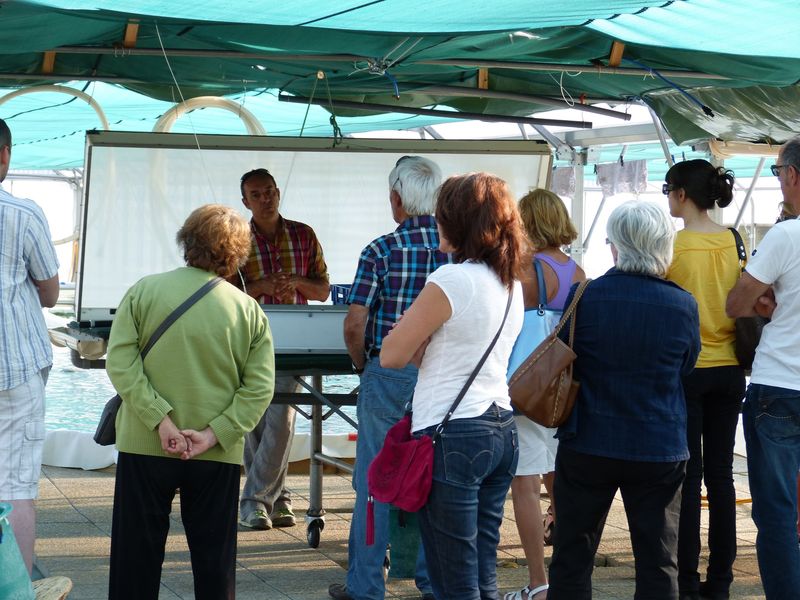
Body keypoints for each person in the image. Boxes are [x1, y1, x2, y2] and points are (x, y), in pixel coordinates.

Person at [105, 204, 275, 600]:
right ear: (235, 255)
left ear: (187, 240)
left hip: (145, 443)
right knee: (215, 564)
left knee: (135, 559)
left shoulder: (144, 291)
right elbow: (259, 388)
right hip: (215, 453)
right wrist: (216, 433)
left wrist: (159, 420)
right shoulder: (248, 310)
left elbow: (121, 362)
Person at [381, 172, 526, 600]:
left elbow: (391, 353)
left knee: (452, 577)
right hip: (500, 427)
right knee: (482, 570)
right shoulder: (510, 282)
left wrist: (414, 336)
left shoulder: (452, 280)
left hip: (454, 433)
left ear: (457, 223)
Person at [548, 201, 701, 600]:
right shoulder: (683, 304)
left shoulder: (585, 296)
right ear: (664, 247)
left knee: (571, 555)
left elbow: (566, 356)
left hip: (588, 439)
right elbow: (686, 365)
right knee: (657, 560)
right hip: (658, 445)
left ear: (614, 247)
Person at [329, 155, 448, 600]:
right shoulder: (456, 252)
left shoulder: (380, 250)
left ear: (396, 198)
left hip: (388, 371)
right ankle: (432, 582)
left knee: (375, 481)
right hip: (441, 375)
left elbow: (354, 323)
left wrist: (363, 364)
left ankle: (365, 585)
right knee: (435, 475)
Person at [662, 160, 746, 600]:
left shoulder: (674, 246)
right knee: (721, 476)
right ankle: (722, 581)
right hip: (731, 368)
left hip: (688, 370)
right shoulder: (734, 241)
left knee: (689, 477)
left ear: (680, 194)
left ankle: (687, 579)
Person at [726, 135, 800, 599]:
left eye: (776, 172)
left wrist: (772, 309)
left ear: (793, 175)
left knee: (776, 513)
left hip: (778, 384)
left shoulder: (786, 235)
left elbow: (736, 302)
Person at [236, 168, 330, 530]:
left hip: (293, 340)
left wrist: (295, 282)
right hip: (247, 336)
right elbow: (223, 291)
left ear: (279, 192)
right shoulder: (237, 238)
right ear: (245, 201)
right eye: (256, 195)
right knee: (255, 420)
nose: (265, 199)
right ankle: (280, 498)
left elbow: (323, 290)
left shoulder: (303, 235)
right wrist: (260, 286)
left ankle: (255, 500)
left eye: (269, 192)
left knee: (281, 417)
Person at [505, 189, 585, 600]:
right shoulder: (578, 272)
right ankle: (571, 575)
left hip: (527, 386)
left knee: (524, 483)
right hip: (561, 387)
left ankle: (538, 583)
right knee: (560, 483)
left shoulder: (526, 271)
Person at [0, 117, 60, 576]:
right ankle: (16, 585)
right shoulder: (23, 213)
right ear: (5, 155)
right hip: (16, 367)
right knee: (17, 484)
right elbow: (50, 292)